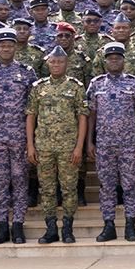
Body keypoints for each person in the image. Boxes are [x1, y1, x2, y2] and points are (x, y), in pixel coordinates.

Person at [0, 29, 38, 244]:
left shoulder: (27, 72)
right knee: (0, 182)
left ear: (15, 47)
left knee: (20, 179)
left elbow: (33, 108)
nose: (6, 48)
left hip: (20, 135)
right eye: (2, 45)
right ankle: (2, 226)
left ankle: (18, 225)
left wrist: (32, 141)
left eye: (9, 45)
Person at [27, 47, 89, 244]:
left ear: (66, 63)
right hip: (43, 146)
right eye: (53, 61)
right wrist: (30, 145)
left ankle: (68, 228)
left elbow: (82, 117)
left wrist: (79, 146)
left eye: (60, 61)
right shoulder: (38, 87)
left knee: (69, 188)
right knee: (47, 189)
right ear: (47, 63)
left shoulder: (76, 87)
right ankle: (51, 228)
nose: (56, 65)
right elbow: (30, 116)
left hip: (68, 147)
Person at [86, 42, 135, 242]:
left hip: (129, 144)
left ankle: (130, 225)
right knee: (107, 186)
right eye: (110, 58)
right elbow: (91, 115)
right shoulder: (96, 83)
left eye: (117, 58)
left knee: (130, 185)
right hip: (104, 144)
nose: (114, 61)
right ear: (105, 61)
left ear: (123, 60)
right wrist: (89, 142)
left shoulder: (133, 82)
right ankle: (108, 225)